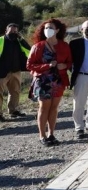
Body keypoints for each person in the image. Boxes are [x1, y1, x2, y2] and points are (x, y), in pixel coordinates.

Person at [27, 18, 72, 146]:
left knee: (54, 108)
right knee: (44, 107)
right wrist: (47, 66)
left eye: (51, 28)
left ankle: (51, 134)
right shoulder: (38, 46)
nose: (48, 30)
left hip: (58, 81)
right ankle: (42, 136)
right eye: (46, 28)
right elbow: (29, 65)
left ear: (57, 30)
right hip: (42, 81)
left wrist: (64, 66)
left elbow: (69, 62)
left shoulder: (64, 46)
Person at [0, 23, 30, 121]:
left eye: (15, 31)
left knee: (15, 92)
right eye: (11, 30)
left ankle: (13, 110)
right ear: (6, 31)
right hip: (2, 72)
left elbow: (29, 52)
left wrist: (21, 39)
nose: (13, 32)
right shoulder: (1, 40)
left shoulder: (19, 42)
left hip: (16, 71)